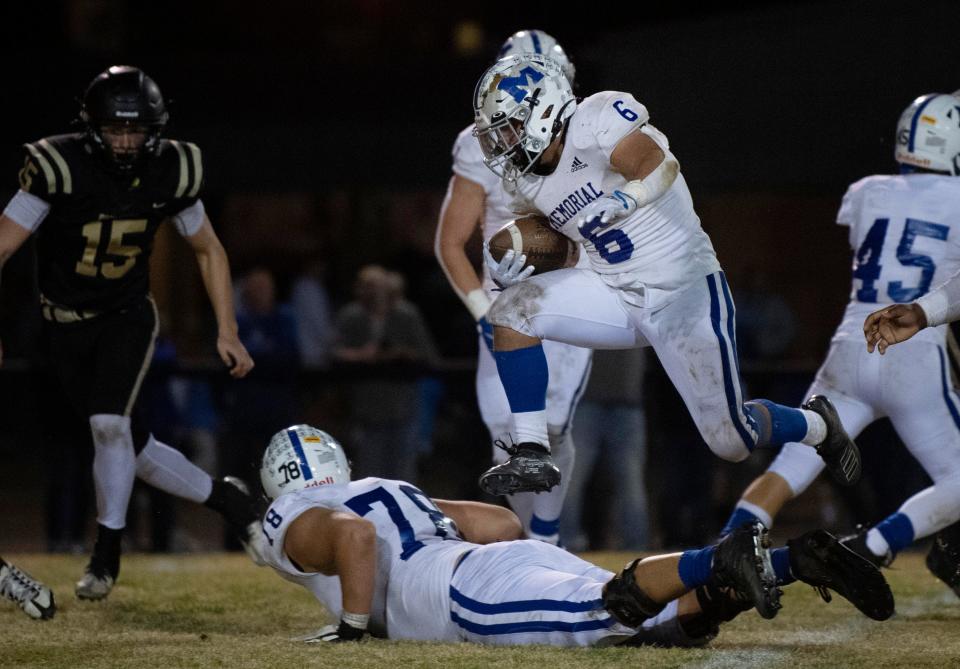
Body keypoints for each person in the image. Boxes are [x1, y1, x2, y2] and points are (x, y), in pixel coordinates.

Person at [470, 53, 861, 498]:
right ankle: (532, 451)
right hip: (614, 292)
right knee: (512, 310)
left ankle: (816, 424)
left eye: (509, 126)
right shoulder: (526, 183)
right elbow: (569, 246)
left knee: (731, 440)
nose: (503, 142)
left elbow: (659, 165)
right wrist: (512, 267)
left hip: (683, 288)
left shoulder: (593, 120)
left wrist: (626, 201)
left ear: (543, 108)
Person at [0, 66, 265, 601]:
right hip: (62, 326)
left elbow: (208, 248)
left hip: (125, 316)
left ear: (156, 129)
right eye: (115, 130)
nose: (126, 142)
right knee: (128, 449)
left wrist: (228, 328)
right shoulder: (59, 165)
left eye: (136, 131)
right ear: (92, 128)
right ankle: (229, 501)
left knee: (107, 427)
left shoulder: (171, 169)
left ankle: (106, 554)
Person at [257, 425, 892, 647]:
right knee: (658, 625)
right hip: (504, 557)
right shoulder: (385, 487)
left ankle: (717, 556)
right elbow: (503, 523)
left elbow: (353, 540)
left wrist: (353, 630)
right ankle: (791, 562)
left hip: (457, 594)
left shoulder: (292, 512)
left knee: (609, 613)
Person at [718, 91, 960, 596]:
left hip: (851, 345)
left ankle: (725, 551)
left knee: (792, 464)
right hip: (912, 347)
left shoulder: (867, 191)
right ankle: (870, 547)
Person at [435, 30, 592, 544]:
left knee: (549, 429)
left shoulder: (589, 140)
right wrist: (484, 313)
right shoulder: (478, 143)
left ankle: (545, 537)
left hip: (568, 296)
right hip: (505, 305)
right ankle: (530, 539)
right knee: (507, 436)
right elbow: (449, 243)